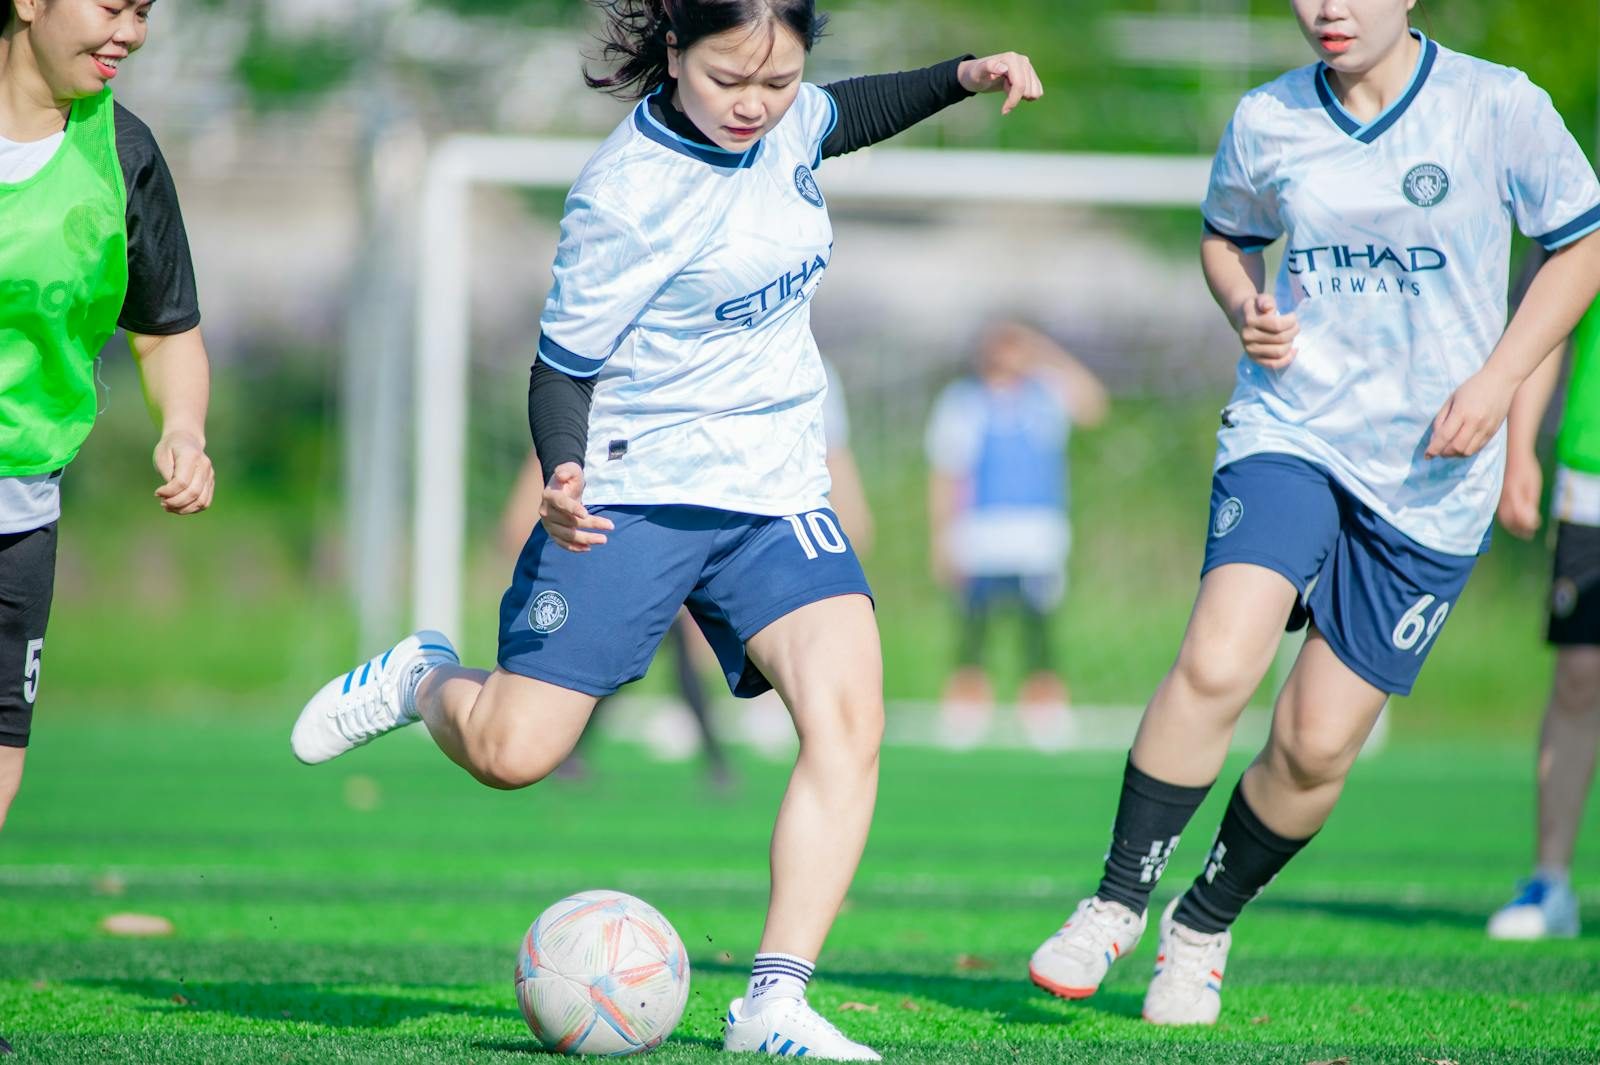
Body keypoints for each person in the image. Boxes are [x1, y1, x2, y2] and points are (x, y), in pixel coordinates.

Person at [290, 1, 1040, 1057]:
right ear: (676, 52)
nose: (755, 105)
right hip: (634, 492)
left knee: (849, 721)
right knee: (514, 753)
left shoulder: (787, 117)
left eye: (776, 81)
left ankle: (773, 1005)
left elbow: (846, 112)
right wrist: (559, 472)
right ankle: (421, 680)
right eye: (731, 78)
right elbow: (563, 366)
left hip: (776, 493)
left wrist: (961, 74)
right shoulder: (624, 193)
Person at [1025, 0, 1600, 1028]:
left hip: (1432, 476)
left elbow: (1582, 246)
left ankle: (1200, 927)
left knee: (1316, 745)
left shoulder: (1495, 107)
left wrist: (1501, 384)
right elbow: (1224, 239)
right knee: (1218, 655)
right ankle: (1113, 900)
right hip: (1294, 432)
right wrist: (1241, 303)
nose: (1327, 9)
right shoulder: (1267, 117)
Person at [0, 0, 213, 831]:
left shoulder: (124, 154)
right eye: (111, 6)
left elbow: (168, 336)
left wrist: (184, 429)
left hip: (19, 514)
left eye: (144, 11)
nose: (129, 31)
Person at [1487, 250, 1600, 940]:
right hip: (1592, 475)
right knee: (1580, 675)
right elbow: (1548, 323)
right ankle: (1550, 881)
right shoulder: (1588, 211)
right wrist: (1518, 445)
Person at [925, 319, 1106, 749]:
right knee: (975, 620)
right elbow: (948, 472)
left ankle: (1042, 704)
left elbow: (1094, 406)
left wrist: (1045, 351)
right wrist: (942, 536)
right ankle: (968, 702)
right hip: (981, 531)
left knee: (1037, 622)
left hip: (1036, 532)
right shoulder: (963, 402)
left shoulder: (1045, 395)